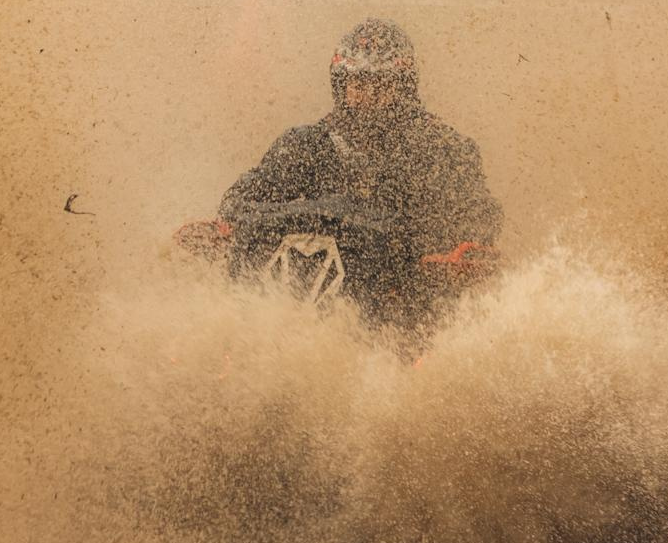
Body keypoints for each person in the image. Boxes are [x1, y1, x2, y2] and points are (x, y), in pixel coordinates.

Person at [212, 18, 503, 334]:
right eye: (358, 86)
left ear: (403, 88)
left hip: (400, 307)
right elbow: (244, 199)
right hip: (299, 303)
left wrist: (454, 254)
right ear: (341, 87)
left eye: (380, 86)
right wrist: (225, 228)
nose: (366, 98)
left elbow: (479, 218)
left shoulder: (444, 149)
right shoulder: (304, 144)